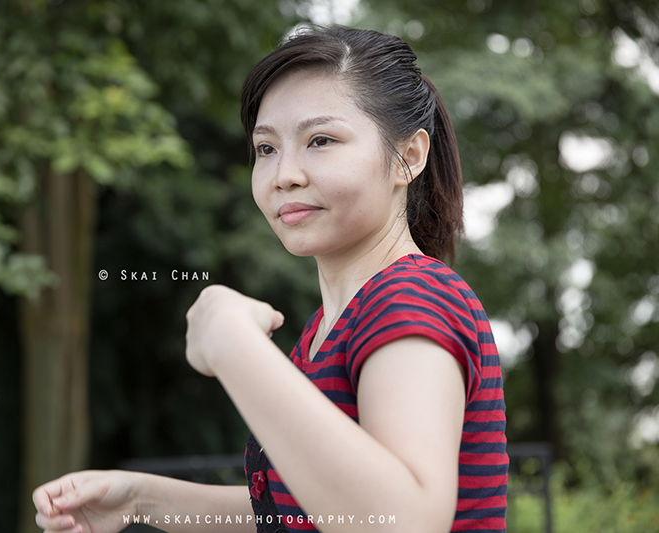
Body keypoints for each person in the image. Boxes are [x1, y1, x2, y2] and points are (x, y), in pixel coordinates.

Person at [32, 25, 508, 533]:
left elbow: (399, 521)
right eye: (266, 149)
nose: (285, 174)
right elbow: (311, 507)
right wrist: (142, 501)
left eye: (320, 140)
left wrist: (232, 344)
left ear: (408, 157)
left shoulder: (412, 299)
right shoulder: (330, 328)